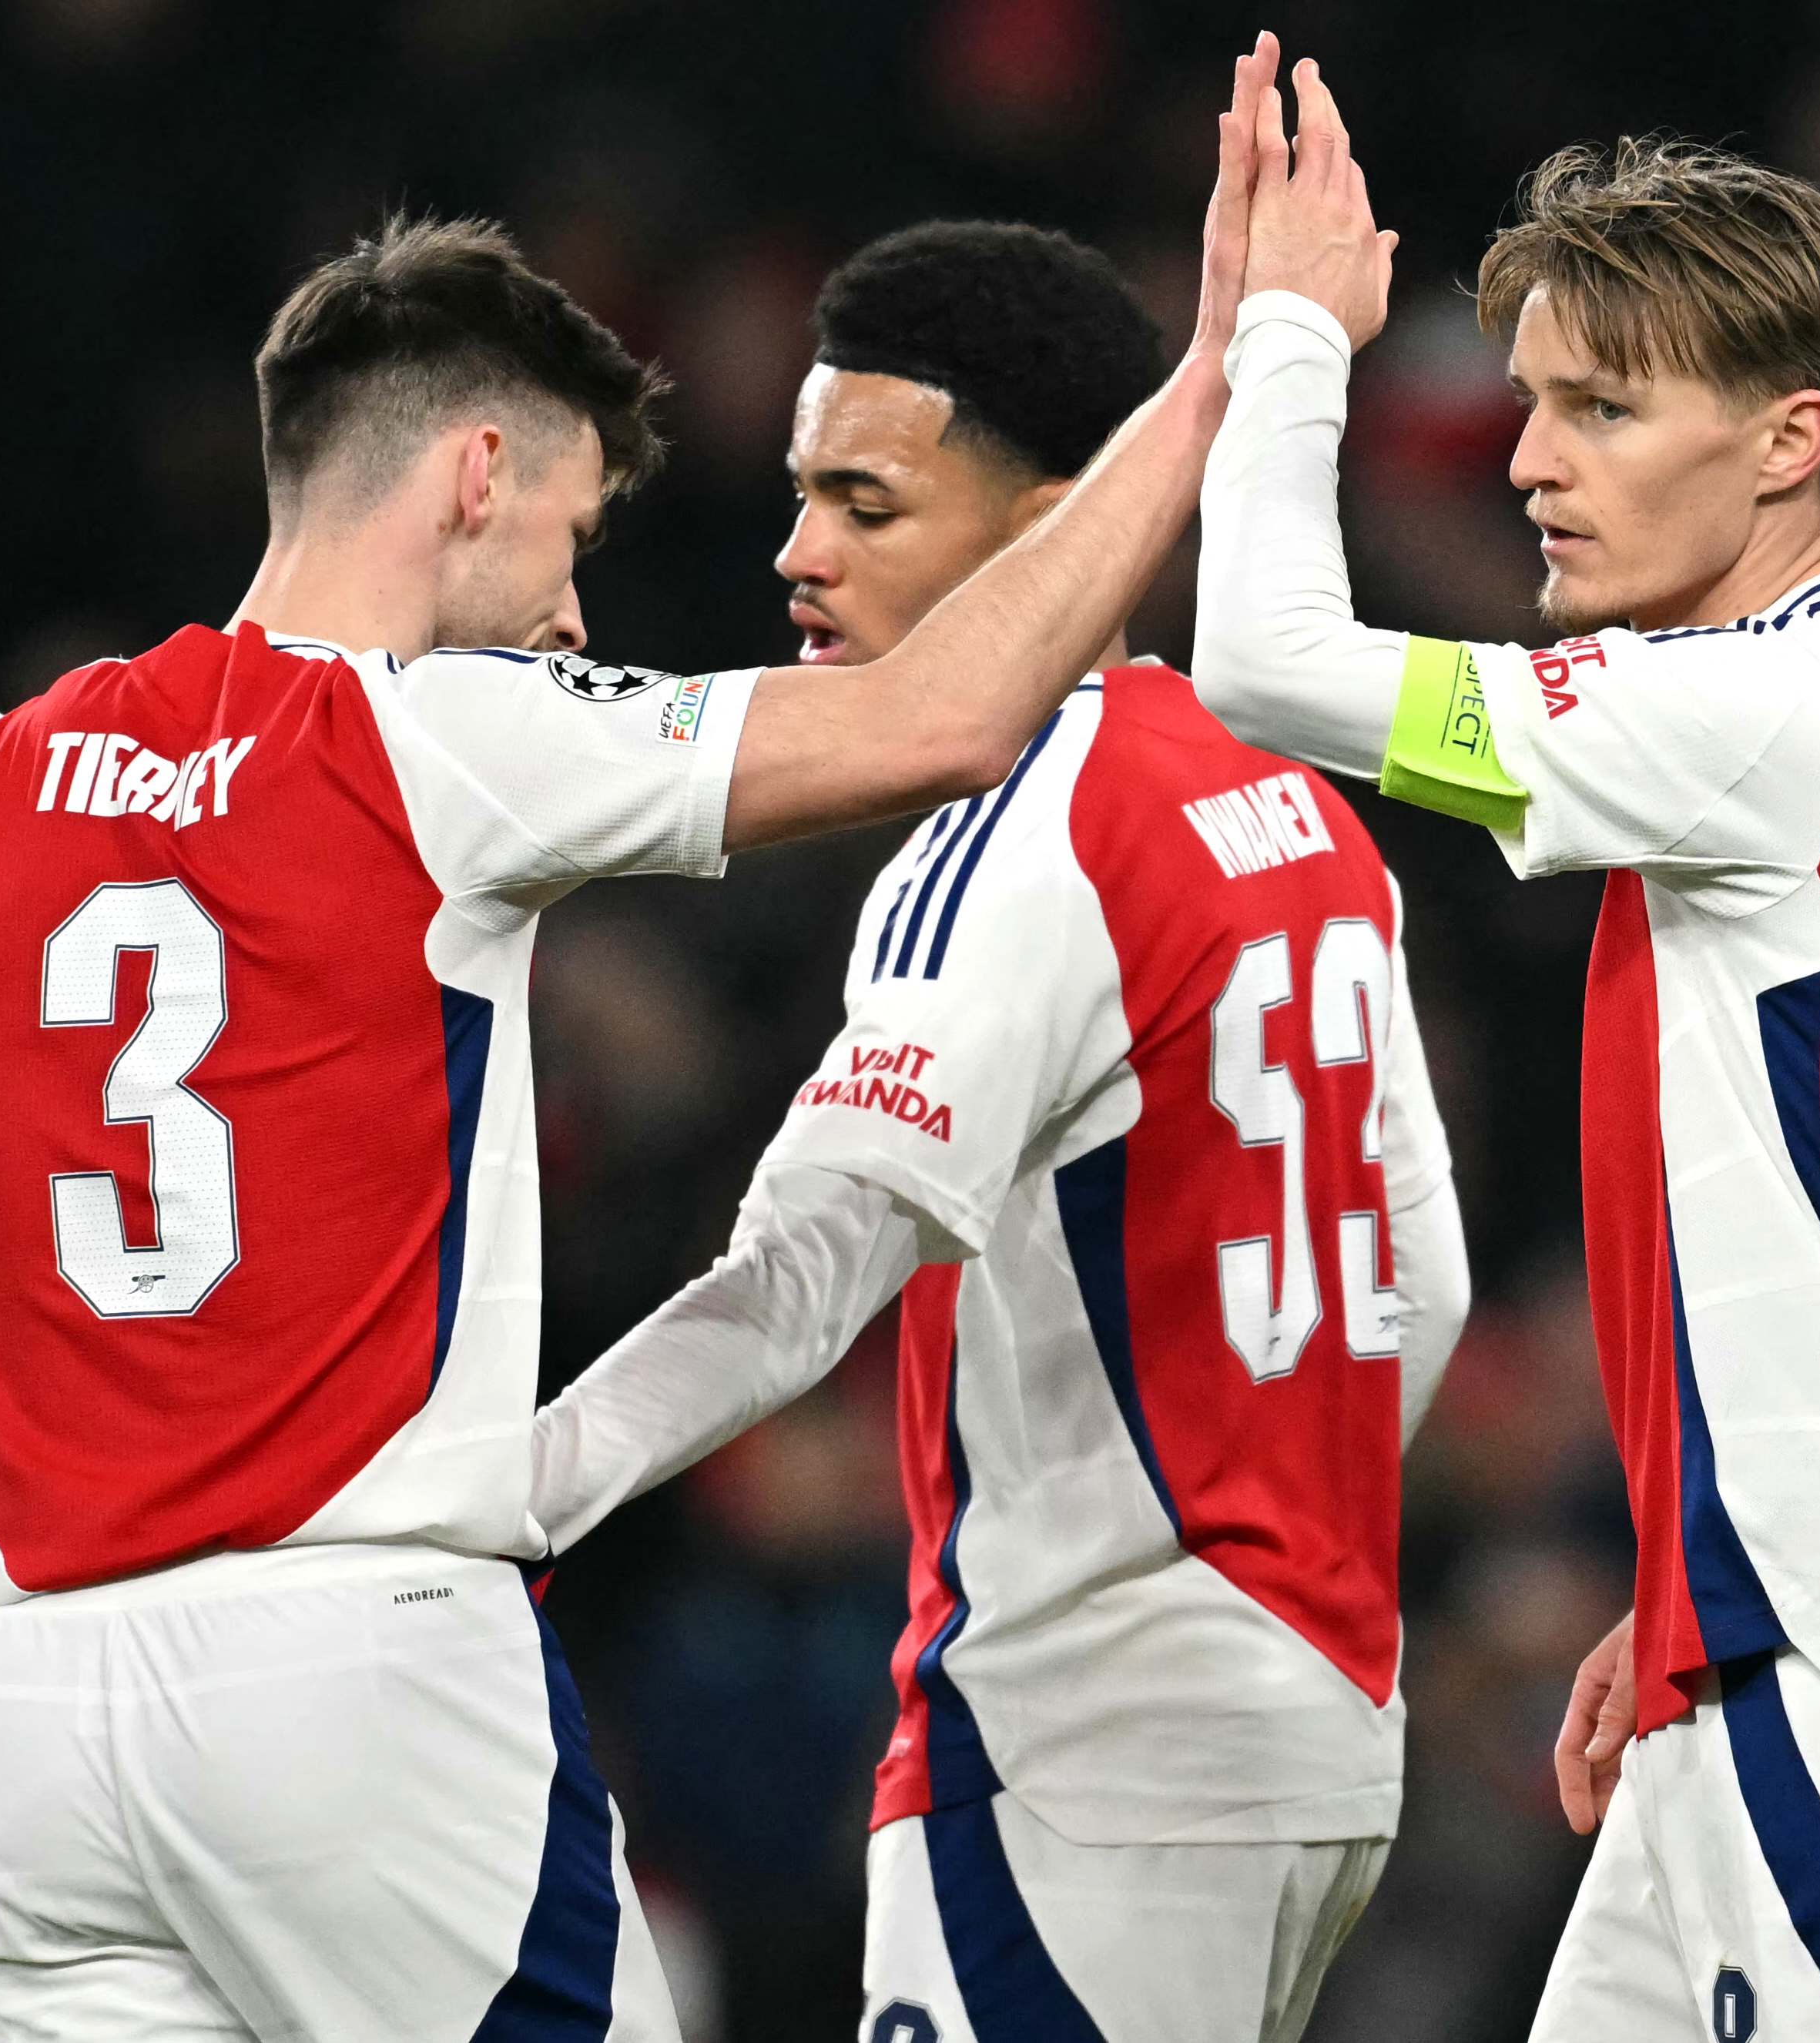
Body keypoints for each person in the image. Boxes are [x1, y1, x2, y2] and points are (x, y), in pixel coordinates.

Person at [0, 48, 1279, 2037]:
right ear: (474, 474)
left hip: (50, 1717)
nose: (577, 613)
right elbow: (933, 724)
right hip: (359, 1672)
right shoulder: (435, 745)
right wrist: (1207, 391)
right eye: (570, 535)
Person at [1189, 66, 1820, 2043]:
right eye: (1528, 401)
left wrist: (1283, 335)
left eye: (1600, 409)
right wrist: (1708, 1563)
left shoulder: (1756, 714)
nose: (1531, 461)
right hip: (1790, 1652)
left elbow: (1261, 658)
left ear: (1791, 440)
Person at [526, 201, 1469, 2043]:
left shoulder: (1022, 840)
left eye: (865, 507)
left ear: (1058, 524)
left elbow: (806, 1272)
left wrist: (500, 1493)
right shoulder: (1294, 817)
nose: (797, 555)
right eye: (801, 495)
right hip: (1320, 1725)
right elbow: (1411, 1290)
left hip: (1084, 1749)